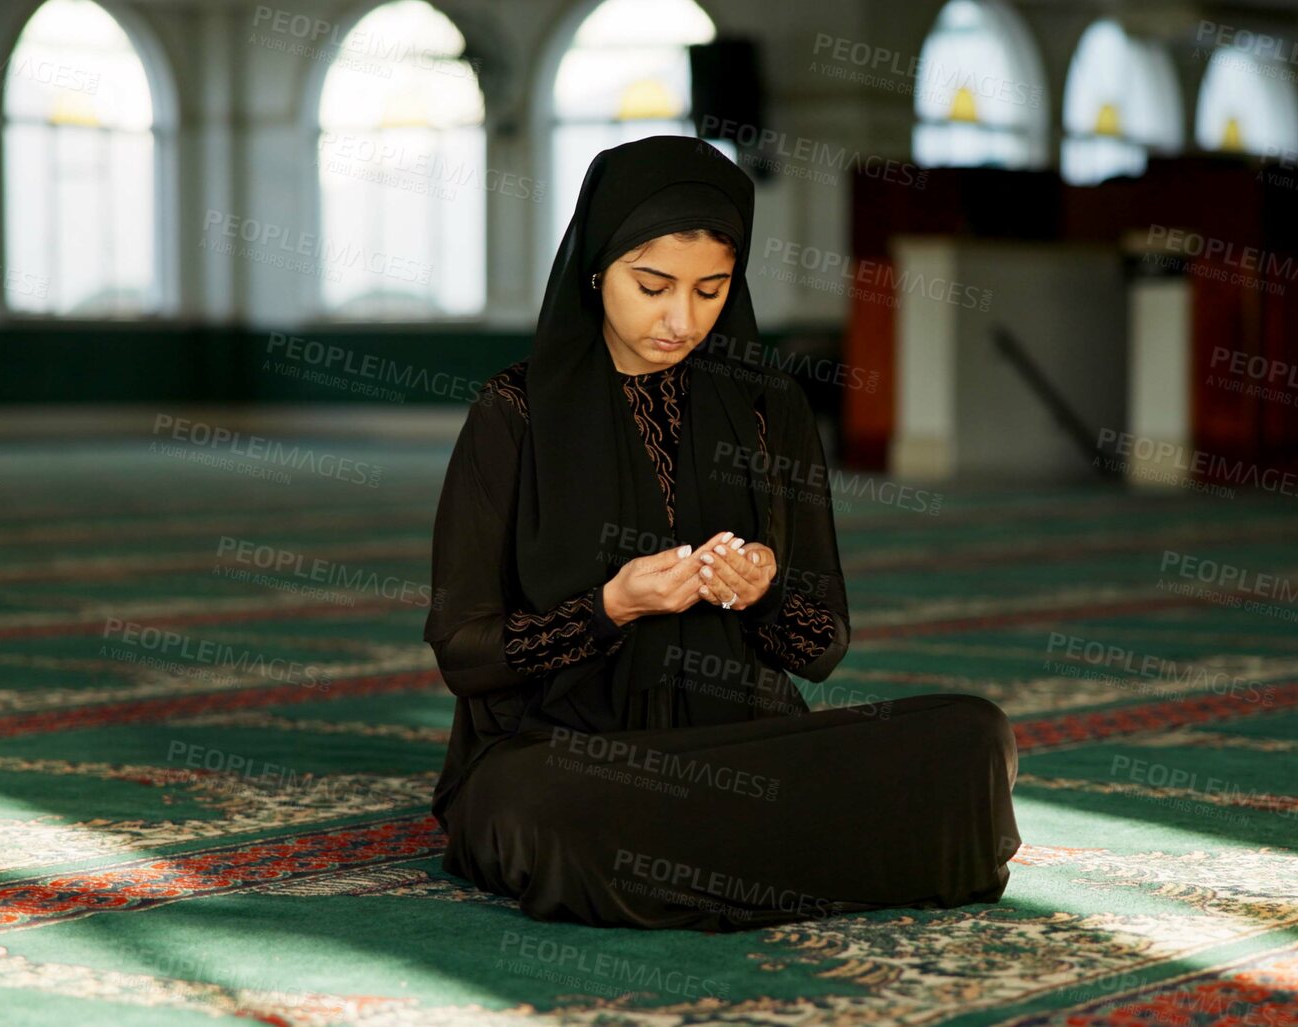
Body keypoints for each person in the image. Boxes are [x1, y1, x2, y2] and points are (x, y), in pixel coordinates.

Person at [422, 135, 1021, 931]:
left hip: (744, 744)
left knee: (971, 735)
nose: (681, 319)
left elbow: (821, 645)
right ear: (597, 270)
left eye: (711, 289)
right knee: (549, 810)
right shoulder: (515, 413)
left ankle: (710, 855)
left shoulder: (769, 408)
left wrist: (763, 595)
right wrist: (608, 608)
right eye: (652, 286)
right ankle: (786, 856)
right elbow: (465, 651)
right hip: (566, 754)